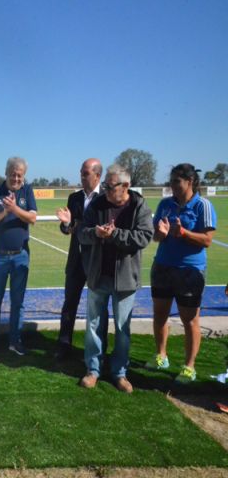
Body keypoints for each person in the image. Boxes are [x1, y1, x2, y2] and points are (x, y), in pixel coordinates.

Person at [77, 164, 153, 393]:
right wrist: (96, 233)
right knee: (93, 325)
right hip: (98, 275)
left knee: (122, 328)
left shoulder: (139, 206)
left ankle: (119, 373)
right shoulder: (98, 204)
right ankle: (93, 370)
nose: (107, 190)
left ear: (126, 186)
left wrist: (115, 235)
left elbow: (144, 237)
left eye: (111, 187)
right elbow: (81, 232)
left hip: (126, 279)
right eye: (106, 186)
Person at [146, 164, 217, 383]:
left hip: (190, 271)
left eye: (177, 181)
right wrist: (160, 233)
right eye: (171, 181)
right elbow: (156, 238)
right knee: (160, 315)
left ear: (190, 182)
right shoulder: (165, 204)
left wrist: (184, 233)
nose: (172, 186)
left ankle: (189, 366)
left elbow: (207, 240)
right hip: (163, 266)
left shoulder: (202, 206)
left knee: (190, 320)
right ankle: (161, 355)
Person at [0, 157, 37, 360]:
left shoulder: (27, 191)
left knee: (18, 302)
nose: (16, 178)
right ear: (6, 173)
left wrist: (15, 209)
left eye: (19, 175)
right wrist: (5, 211)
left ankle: (15, 341)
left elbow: (32, 218)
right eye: (13, 174)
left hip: (20, 256)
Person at [54, 158, 108, 361]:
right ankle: (64, 344)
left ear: (97, 175)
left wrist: (75, 225)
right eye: (81, 173)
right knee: (69, 305)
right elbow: (65, 228)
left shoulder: (106, 198)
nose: (82, 177)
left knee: (99, 308)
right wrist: (66, 225)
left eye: (86, 173)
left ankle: (99, 348)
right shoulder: (74, 197)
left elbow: (97, 227)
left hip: (97, 262)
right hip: (76, 260)